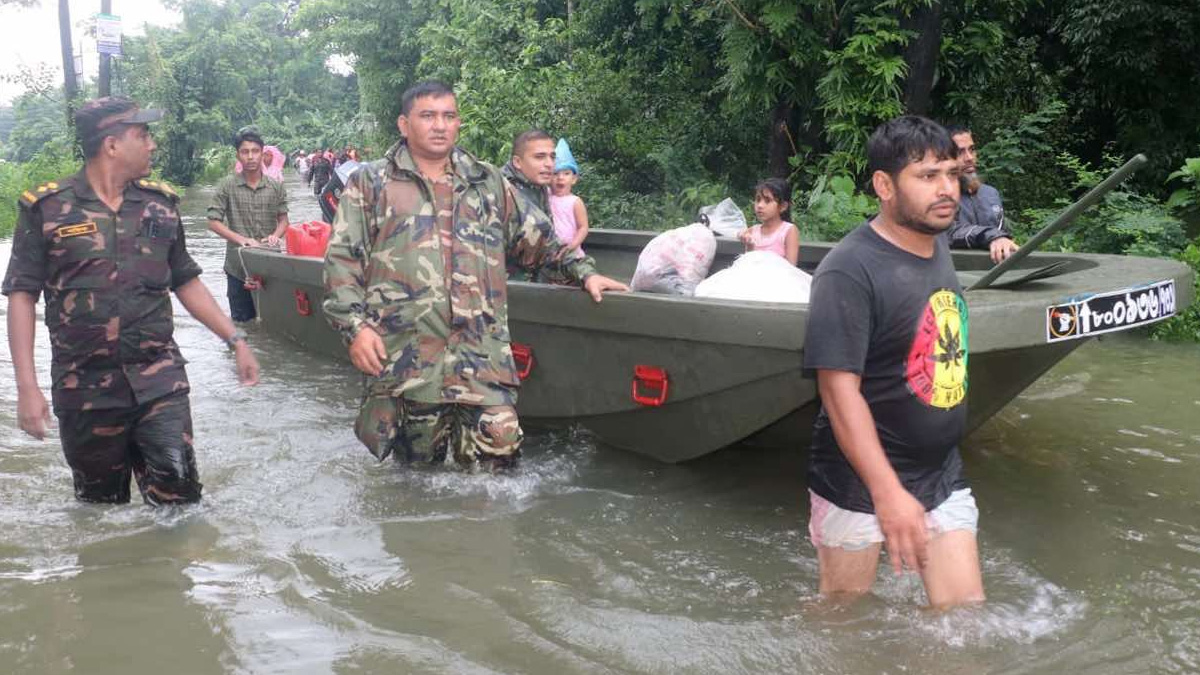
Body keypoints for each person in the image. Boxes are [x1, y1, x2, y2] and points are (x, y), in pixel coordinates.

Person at [322, 80, 628, 471]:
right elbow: (343, 261)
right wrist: (355, 328)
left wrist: (585, 274)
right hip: (408, 361)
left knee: (497, 477)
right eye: (427, 116)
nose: (439, 125)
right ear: (404, 124)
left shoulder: (487, 182)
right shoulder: (371, 183)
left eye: (448, 116)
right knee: (416, 481)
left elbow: (540, 240)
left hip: (482, 359)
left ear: (458, 124)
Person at [2, 97, 260, 505]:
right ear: (112, 145)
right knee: (100, 513)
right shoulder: (47, 210)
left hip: (160, 380)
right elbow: (21, 296)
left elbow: (186, 280)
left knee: (180, 501)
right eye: (143, 134)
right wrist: (27, 388)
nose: (153, 144)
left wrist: (235, 340)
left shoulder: (161, 206)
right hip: (84, 390)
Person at [803, 115, 984, 608]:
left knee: (964, 627)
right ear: (884, 185)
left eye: (950, 173)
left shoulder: (937, 243)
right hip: (860, 482)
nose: (947, 188)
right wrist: (886, 493)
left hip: (940, 471)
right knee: (844, 623)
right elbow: (838, 392)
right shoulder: (848, 269)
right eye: (927, 177)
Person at [206, 126, 290, 323]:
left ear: (262, 154)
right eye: (245, 152)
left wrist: (276, 235)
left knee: (273, 323)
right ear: (238, 155)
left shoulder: (276, 186)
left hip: (270, 265)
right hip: (237, 267)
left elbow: (284, 220)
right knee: (242, 325)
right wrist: (242, 240)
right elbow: (213, 222)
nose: (250, 157)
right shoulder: (227, 185)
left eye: (255, 151)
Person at [944, 124, 1018, 264]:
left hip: (996, 276)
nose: (969, 158)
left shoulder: (991, 194)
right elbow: (949, 233)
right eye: (960, 152)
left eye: (972, 150)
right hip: (958, 277)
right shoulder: (939, 195)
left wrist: (1003, 241)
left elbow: (1004, 237)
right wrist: (993, 236)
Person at [738, 177, 800, 265]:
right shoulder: (753, 230)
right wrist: (748, 243)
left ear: (783, 206)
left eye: (767, 201)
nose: (760, 205)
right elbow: (748, 261)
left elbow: (791, 266)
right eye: (758, 200)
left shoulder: (789, 230)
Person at [547, 138, 589, 259]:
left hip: (571, 253)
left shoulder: (575, 202)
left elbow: (583, 227)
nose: (560, 178)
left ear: (574, 179)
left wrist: (572, 246)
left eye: (566, 173)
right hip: (550, 252)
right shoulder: (545, 196)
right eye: (555, 174)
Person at [501, 129, 555, 215]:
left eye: (552, 157)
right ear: (517, 162)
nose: (550, 164)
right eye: (539, 157)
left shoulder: (538, 184)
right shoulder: (499, 191)